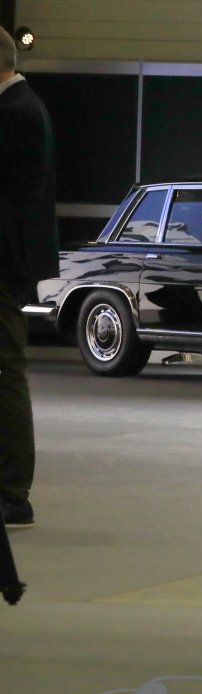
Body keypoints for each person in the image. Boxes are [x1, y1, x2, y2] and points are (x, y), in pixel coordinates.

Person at [0, 27, 58, 528]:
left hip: (2, 264)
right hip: (10, 261)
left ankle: (12, 493)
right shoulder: (23, 107)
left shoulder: (15, 112)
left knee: (6, 374)